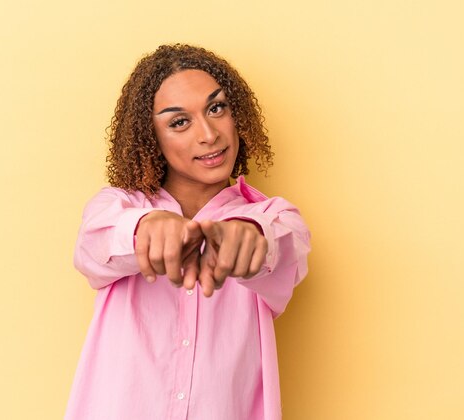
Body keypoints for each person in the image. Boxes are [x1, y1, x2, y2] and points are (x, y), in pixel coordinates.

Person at [64, 44, 311, 420]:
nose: (209, 134)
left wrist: (248, 236)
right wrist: (144, 228)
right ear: (152, 138)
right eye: (179, 122)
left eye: (216, 108)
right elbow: (93, 247)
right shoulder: (118, 208)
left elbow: (284, 246)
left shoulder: (274, 216)